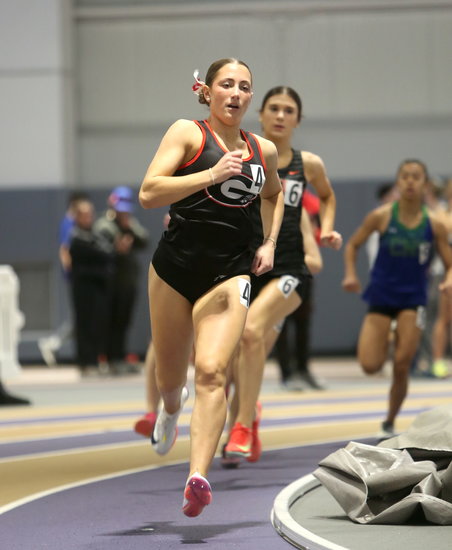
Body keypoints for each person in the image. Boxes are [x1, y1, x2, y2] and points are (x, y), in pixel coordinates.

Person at [138, 58, 284, 517]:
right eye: (227, 84)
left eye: (245, 86)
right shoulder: (188, 132)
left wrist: (270, 242)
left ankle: (197, 477)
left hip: (231, 271)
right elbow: (149, 192)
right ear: (208, 91)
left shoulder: (263, 150)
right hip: (174, 270)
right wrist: (212, 174)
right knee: (171, 380)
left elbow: (273, 194)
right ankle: (169, 409)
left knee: (212, 371)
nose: (236, 93)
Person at [223, 86, 342, 464]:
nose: (280, 115)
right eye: (273, 108)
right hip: (246, 264)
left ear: (297, 120)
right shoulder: (242, 153)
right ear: (260, 114)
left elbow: (327, 196)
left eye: (288, 110)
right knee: (239, 356)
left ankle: (242, 426)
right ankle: (247, 418)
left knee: (251, 332)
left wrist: (326, 229)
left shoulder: (309, 164)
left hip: (289, 268)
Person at [342, 159, 452, 439]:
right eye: (405, 176)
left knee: (402, 364)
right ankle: (388, 337)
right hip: (381, 296)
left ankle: (389, 420)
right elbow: (353, 244)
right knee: (370, 365)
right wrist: (351, 274)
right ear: (398, 182)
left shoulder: (435, 223)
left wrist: (448, 279)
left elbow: (449, 263)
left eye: (416, 177)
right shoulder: (381, 216)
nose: (410, 181)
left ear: (425, 184)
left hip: (413, 300)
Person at [94, 186, 150, 374]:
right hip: (110, 283)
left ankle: (119, 357)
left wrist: (128, 227)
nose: (123, 213)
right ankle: (109, 359)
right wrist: (116, 249)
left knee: (123, 322)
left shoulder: (130, 224)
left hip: (127, 281)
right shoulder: (104, 225)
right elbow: (101, 250)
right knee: (110, 322)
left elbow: (144, 240)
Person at [274, 189, 324, 391]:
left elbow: (318, 232)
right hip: (276, 269)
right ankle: (286, 373)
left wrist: (320, 236)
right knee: (279, 323)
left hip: (301, 269)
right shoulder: (265, 194)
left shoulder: (308, 202)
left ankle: (303, 369)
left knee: (303, 321)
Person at [38, 191, 90, 366]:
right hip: (76, 277)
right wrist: (71, 271)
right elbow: (64, 249)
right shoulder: (69, 223)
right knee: (78, 317)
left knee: (78, 317)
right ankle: (52, 343)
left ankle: (53, 343)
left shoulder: (70, 222)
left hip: (77, 276)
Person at [69, 199, 114, 373]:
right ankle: (85, 362)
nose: (89, 218)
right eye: (85, 215)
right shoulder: (76, 237)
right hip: (83, 288)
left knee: (98, 324)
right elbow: (103, 253)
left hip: (98, 288)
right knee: (85, 324)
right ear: (77, 217)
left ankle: (96, 360)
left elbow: (108, 252)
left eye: (90, 214)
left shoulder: (94, 234)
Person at [430, 177, 452, 378]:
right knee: (444, 318)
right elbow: (442, 227)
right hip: (445, 273)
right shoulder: (440, 213)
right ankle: (437, 361)